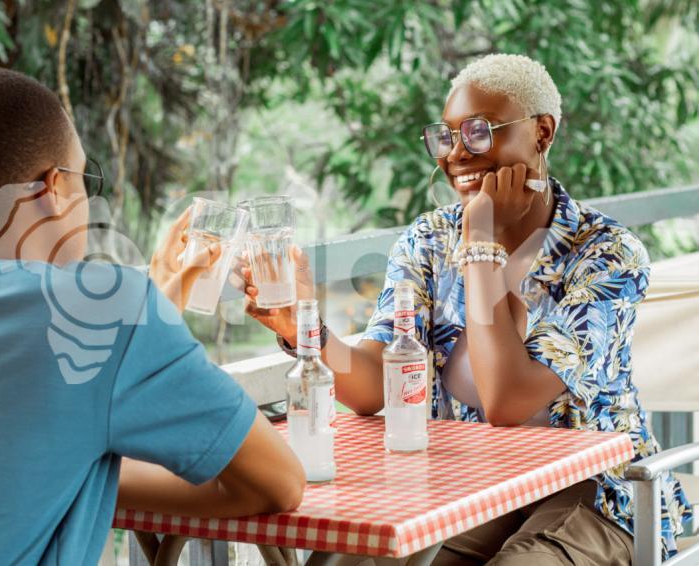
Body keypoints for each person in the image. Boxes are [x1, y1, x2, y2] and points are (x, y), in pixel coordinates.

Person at [243, 53, 691, 564]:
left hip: (594, 494)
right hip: (473, 481)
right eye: (446, 135)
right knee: (352, 560)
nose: (456, 153)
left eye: (479, 132)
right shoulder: (429, 241)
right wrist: (306, 328)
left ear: (541, 133)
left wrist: (481, 241)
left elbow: (507, 401)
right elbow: (370, 386)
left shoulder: (606, 253)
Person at [0, 69, 304, 566]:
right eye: (84, 179)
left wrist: (66, 469)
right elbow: (280, 482)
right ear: (53, 188)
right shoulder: (107, 311)